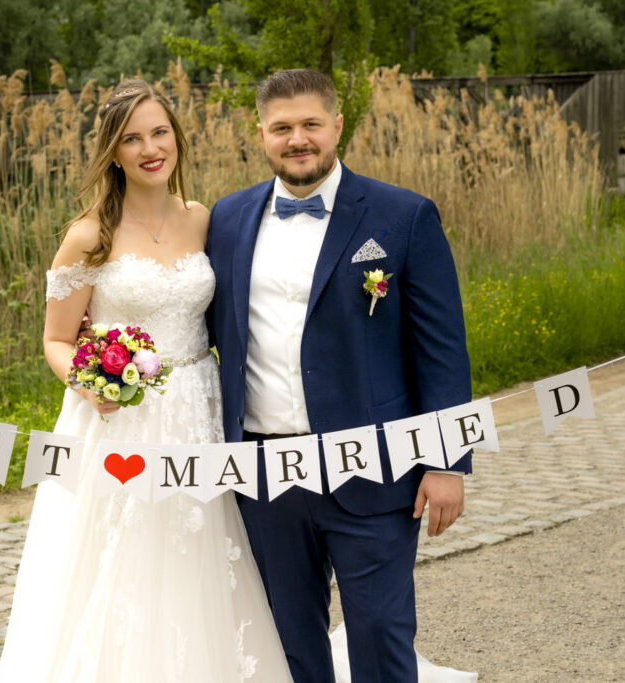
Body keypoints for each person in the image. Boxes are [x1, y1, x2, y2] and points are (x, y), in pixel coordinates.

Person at [0, 80, 295, 683]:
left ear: (176, 137)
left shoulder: (203, 219)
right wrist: (89, 383)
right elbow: (56, 340)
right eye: (132, 139)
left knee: (199, 555)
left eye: (159, 133)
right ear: (113, 151)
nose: (150, 149)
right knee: (124, 560)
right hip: (120, 417)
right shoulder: (89, 235)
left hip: (201, 411)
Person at [206, 68, 475, 683]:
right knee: (288, 645)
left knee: (380, 637)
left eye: (310, 124)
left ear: (337, 125)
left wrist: (446, 462)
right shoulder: (226, 219)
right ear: (261, 133)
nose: (297, 139)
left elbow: (441, 351)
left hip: (373, 468)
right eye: (281, 127)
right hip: (266, 473)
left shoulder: (403, 215)